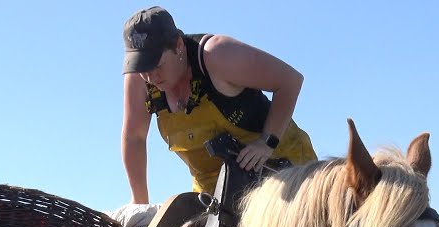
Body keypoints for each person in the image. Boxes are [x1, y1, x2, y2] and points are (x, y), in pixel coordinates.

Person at [120, 6, 316, 201]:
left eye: (156, 65)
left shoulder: (217, 54)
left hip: (282, 172)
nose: (150, 76)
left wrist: (267, 142)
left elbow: (290, 81)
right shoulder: (140, 79)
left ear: (178, 45)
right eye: (141, 66)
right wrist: (139, 203)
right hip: (215, 194)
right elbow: (134, 137)